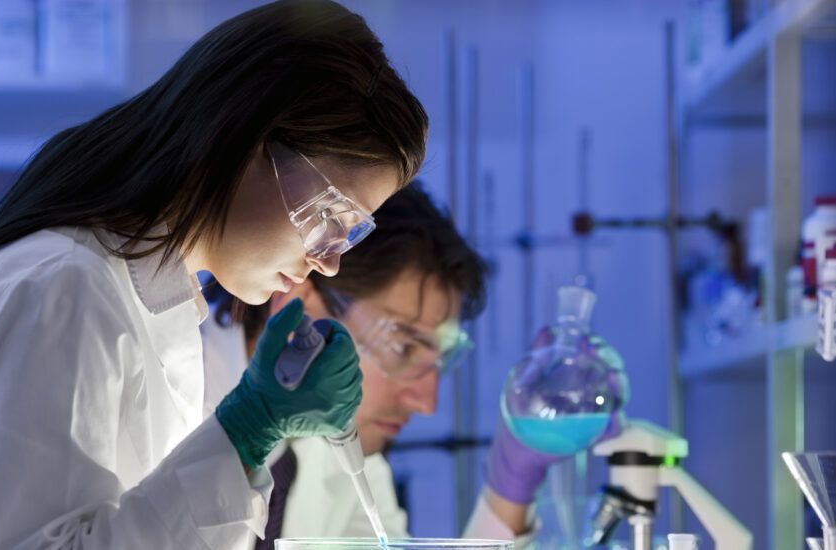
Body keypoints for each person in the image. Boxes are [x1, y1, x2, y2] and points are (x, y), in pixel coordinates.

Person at [0, 0, 429, 549]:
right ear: (248, 138)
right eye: (330, 213)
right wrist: (249, 430)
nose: (329, 259)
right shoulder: (61, 288)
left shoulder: (146, 303)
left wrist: (249, 437)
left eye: (351, 230)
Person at [204, 182, 628, 547]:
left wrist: (509, 484)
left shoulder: (348, 464)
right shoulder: (164, 396)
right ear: (298, 306)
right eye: (405, 347)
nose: (426, 404)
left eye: (439, 364)